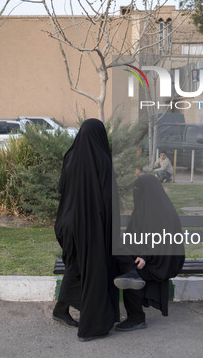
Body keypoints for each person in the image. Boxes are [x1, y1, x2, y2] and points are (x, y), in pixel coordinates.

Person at [52, 118, 120, 342]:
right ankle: (94, 323)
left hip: (67, 225)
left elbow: (62, 188)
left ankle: (61, 310)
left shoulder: (70, 157)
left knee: (76, 266)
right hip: (90, 227)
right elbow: (108, 200)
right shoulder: (102, 160)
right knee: (93, 271)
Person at [113, 174, 185, 331]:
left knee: (129, 271)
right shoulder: (157, 205)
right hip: (158, 258)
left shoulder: (157, 211)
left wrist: (146, 256)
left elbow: (161, 238)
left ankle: (136, 318)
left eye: (139, 190)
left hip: (161, 262)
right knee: (123, 262)